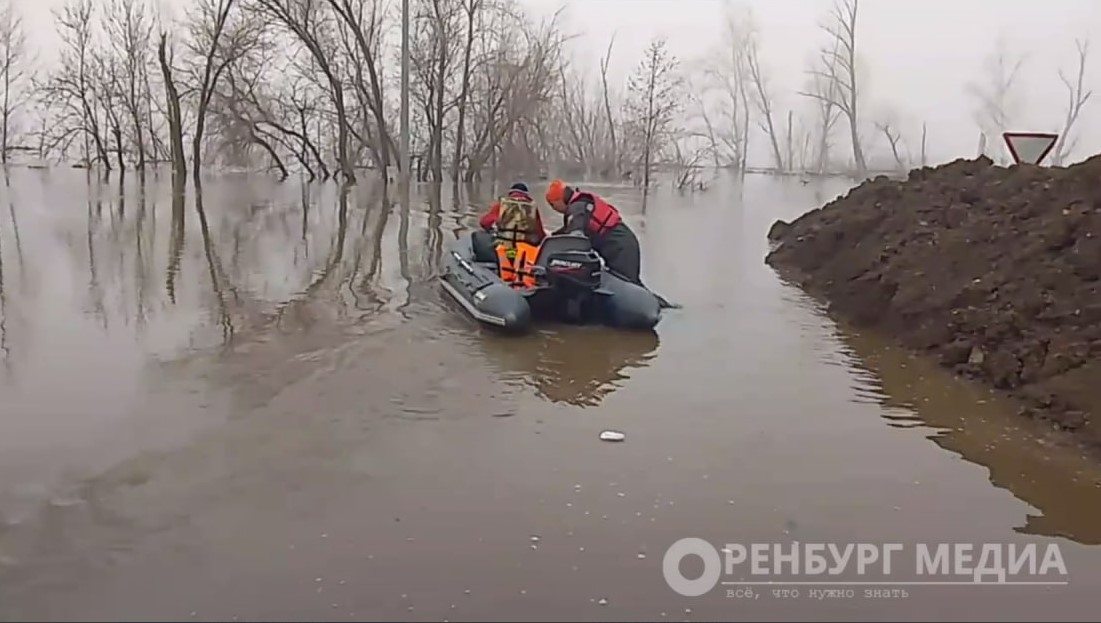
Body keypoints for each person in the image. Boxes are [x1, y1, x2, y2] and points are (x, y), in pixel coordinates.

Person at [544, 179, 642, 284]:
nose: (554, 209)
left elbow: (575, 238)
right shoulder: (580, 205)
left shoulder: (577, 209)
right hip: (622, 244)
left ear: (558, 200)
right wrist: (550, 237)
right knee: (631, 284)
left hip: (622, 249)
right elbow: (568, 230)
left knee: (629, 285)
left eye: (553, 205)